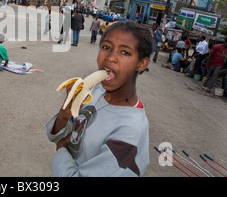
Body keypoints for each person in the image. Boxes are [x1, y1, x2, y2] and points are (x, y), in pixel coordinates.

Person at [46, 20, 151, 177]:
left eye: (125, 52)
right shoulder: (98, 90)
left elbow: (61, 142)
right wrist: (65, 112)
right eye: (106, 47)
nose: (110, 58)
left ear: (142, 64)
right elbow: (57, 134)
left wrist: (61, 148)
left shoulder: (130, 130)